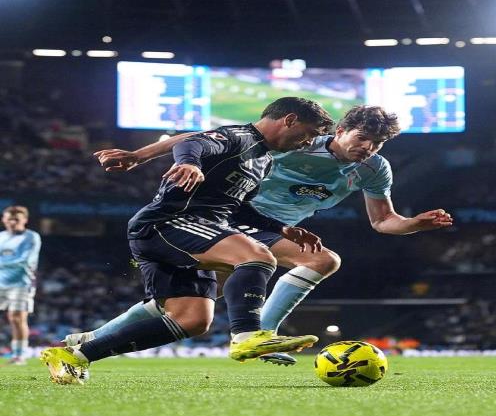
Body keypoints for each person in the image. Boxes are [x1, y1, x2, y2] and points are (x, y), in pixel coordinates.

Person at [67, 105, 453, 367]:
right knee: (322, 260)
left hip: (269, 228)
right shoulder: (300, 141)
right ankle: (260, 336)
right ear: (341, 130)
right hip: (236, 217)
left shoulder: (373, 168)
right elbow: (196, 137)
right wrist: (140, 156)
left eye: (378, 143)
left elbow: (383, 221)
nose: (368, 147)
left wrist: (413, 224)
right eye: (363, 137)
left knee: (193, 302)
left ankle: (90, 340)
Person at [40, 96, 334, 384]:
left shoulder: (264, 161)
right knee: (257, 255)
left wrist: (281, 228)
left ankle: (76, 355)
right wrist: (190, 163)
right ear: (290, 120)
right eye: (309, 134)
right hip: (167, 223)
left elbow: (237, 207)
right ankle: (247, 334)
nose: (307, 142)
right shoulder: (238, 136)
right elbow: (190, 143)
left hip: (192, 230)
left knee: (193, 321)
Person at [0, 206, 41, 365]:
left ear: (25, 220)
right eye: (9, 219)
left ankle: (19, 355)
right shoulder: (1, 237)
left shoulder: (31, 237)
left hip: (21, 283)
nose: (12, 222)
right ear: (3, 219)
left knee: (16, 318)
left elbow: (25, 260)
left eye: (16, 219)